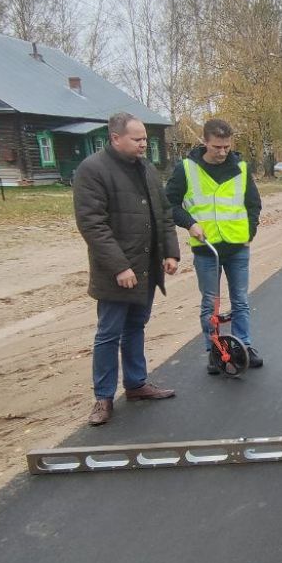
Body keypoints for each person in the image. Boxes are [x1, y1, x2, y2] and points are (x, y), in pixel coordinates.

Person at [73, 112, 180, 426]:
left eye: (145, 138)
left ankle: (136, 384)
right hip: (116, 272)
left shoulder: (146, 169)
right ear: (115, 137)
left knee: (136, 326)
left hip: (145, 267)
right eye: (137, 139)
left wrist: (170, 252)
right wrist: (119, 266)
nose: (144, 144)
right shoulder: (93, 170)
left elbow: (163, 213)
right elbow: (92, 225)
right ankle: (103, 398)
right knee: (109, 334)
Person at [166, 118, 263, 374]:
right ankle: (214, 351)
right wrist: (189, 223)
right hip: (206, 248)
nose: (222, 152)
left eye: (226, 147)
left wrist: (250, 232)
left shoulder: (241, 167)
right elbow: (170, 204)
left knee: (240, 300)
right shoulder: (186, 169)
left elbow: (253, 204)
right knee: (210, 303)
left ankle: (245, 346)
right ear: (205, 142)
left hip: (237, 247)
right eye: (217, 147)